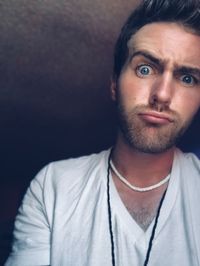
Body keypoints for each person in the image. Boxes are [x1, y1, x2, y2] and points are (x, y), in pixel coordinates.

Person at [5, 0, 200, 265]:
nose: (162, 95)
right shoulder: (53, 187)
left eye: (187, 78)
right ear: (113, 85)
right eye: (145, 69)